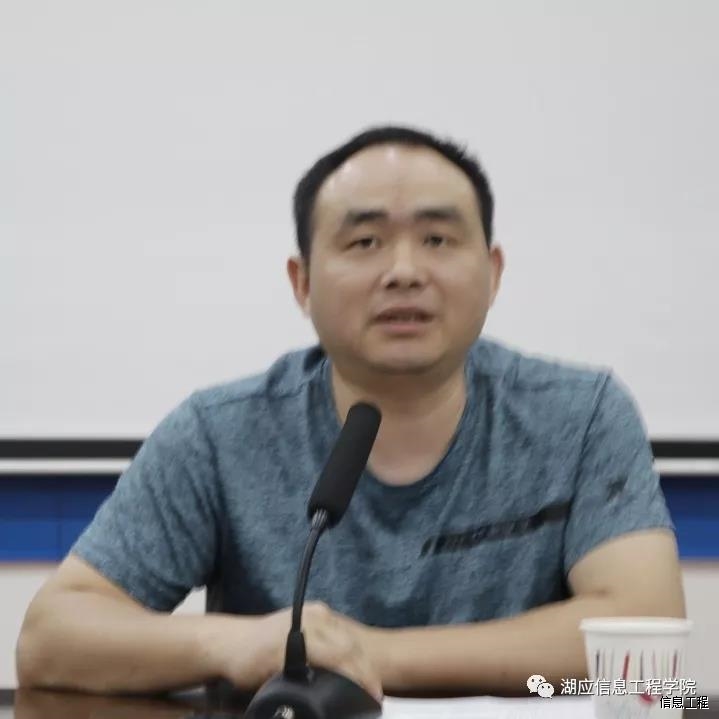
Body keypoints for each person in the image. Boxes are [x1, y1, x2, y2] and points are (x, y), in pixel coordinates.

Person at [16, 126, 685, 703]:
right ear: (301, 281)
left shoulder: (580, 413)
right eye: (364, 242)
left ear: (493, 271)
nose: (404, 271)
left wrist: (365, 653)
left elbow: (646, 646)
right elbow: (50, 638)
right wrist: (240, 643)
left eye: (437, 238)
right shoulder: (221, 433)